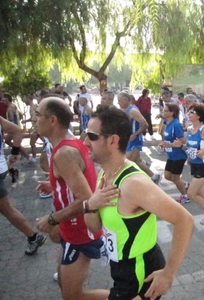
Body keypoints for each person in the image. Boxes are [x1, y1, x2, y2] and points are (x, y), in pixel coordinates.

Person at [82, 106, 193, 299]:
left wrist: (168, 273)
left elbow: (184, 220)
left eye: (91, 136)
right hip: (120, 268)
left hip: (140, 271)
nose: (84, 142)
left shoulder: (133, 184)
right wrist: (91, 205)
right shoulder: (104, 174)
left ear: (113, 140)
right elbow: (95, 226)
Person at [34, 97, 109, 300]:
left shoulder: (64, 153)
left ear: (53, 120)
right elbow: (82, 178)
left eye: (38, 114)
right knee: (63, 284)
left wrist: (52, 219)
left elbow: (87, 199)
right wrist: (56, 184)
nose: (34, 119)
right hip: (71, 230)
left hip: (79, 231)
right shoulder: (70, 143)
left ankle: (129, 298)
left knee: (73, 296)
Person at [0, 114, 46, 254]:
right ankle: (33, 237)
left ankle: (33, 236)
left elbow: (18, 130)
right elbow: (17, 130)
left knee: (7, 208)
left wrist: (14, 153)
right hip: (1, 168)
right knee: (6, 208)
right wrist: (14, 153)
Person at [173, 103, 204, 228]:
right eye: (188, 112)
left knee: (191, 194)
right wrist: (181, 146)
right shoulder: (189, 129)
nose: (188, 114)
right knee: (202, 193)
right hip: (194, 164)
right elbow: (190, 147)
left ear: (199, 116)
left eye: (191, 112)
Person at [118, 92, 161, 185]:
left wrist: (135, 134)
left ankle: (129, 182)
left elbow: (145, 124)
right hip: (128, 139)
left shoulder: (133, 111)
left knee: (125, 163)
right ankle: (154, 176)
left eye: (120, 100)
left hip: (135, 140)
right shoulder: (123, 110)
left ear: (126, 100)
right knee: (137, 162)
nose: (118, 102)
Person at [158, 104, 189, 204]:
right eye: (164, 110)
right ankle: (185, 185)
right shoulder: (167, 123)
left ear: (172, 113)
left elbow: (183, 141)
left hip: (179, 155)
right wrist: (164, 144)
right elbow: (165, 136)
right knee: (167, 176)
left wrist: (170, 144)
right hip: (171, 155)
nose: (164, 112)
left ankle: (185, 196)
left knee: (175, 178)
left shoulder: (176, 125)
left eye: (166, 111)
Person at [21, 94, 39, 163]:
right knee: (32, 143)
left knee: (33, 143)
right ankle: (34, 158)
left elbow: (34, 118)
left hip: (37, 128)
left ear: (28, 99)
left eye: (25, 99)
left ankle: (34, 158)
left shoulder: (33, 107)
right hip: (35, 127)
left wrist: (26, 121)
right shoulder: (32, 107)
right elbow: (33, 118)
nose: (24, 101)